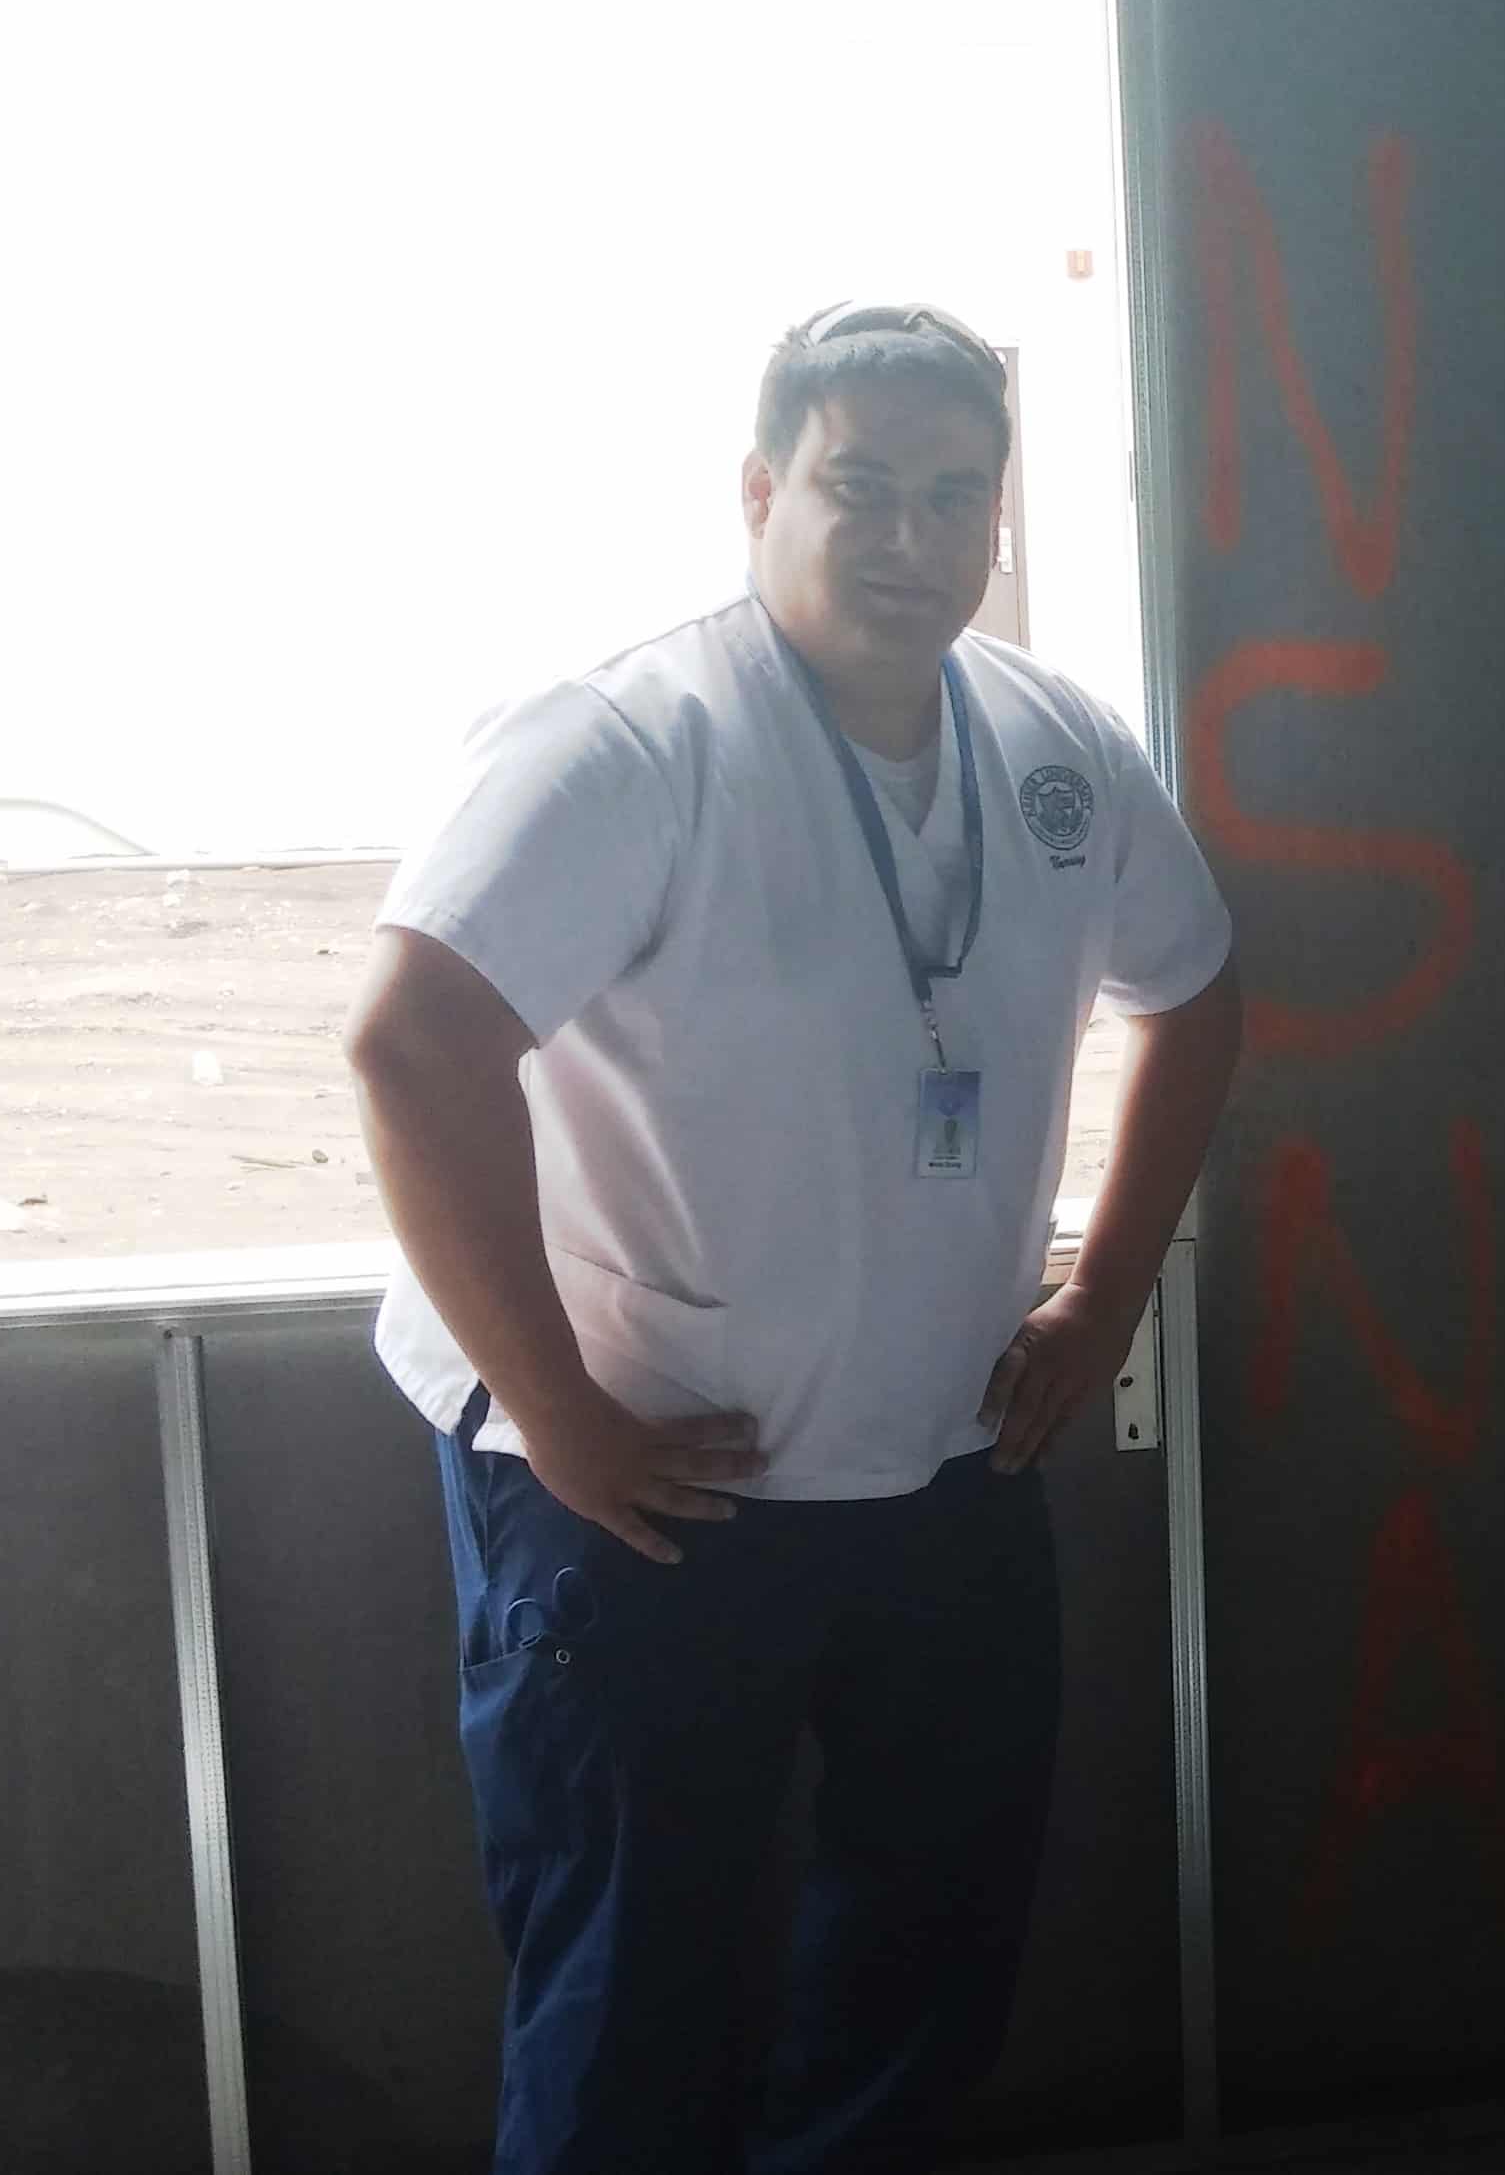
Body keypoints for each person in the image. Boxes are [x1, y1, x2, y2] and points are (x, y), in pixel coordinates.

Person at [345, 300, 1244, 2172]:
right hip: (646, 1499)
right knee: (630, 1999)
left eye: (954, 496)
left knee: (922, 1966)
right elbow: (413, 1045)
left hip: (945, 1468)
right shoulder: (628, 747)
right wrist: (560, 1418)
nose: (912, 539)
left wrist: (1105, 1294)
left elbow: (1201, 991)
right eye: (860, 490)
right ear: (761, 493)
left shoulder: (1050, 746)